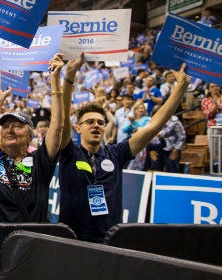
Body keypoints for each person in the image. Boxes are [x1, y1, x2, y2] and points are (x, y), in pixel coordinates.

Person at [59, 53, 189, 243]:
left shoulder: (116, 153)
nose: (96, 125)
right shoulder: (68, 151)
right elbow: (61, 122)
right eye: (90, 122)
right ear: (78, 128)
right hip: (72, 239)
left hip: (109, 238)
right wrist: (69, 78)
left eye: (100, 122)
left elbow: (154, 126)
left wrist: (181, 88)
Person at [0, 53, 64, 223]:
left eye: (17, 126)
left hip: (28, 243)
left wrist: (55, 80)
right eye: (6, 126)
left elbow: (57, 127)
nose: (10, 130)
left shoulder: (40, 162)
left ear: (30, 136)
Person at [146, 105, 185, 173]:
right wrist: (150, 150)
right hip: (156, 149)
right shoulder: (151, 121)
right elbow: (147, 136)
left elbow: (182, 135)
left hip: (171, 149)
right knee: (154, 171)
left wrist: (176, 149)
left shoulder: (174, 120)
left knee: (172, 171)